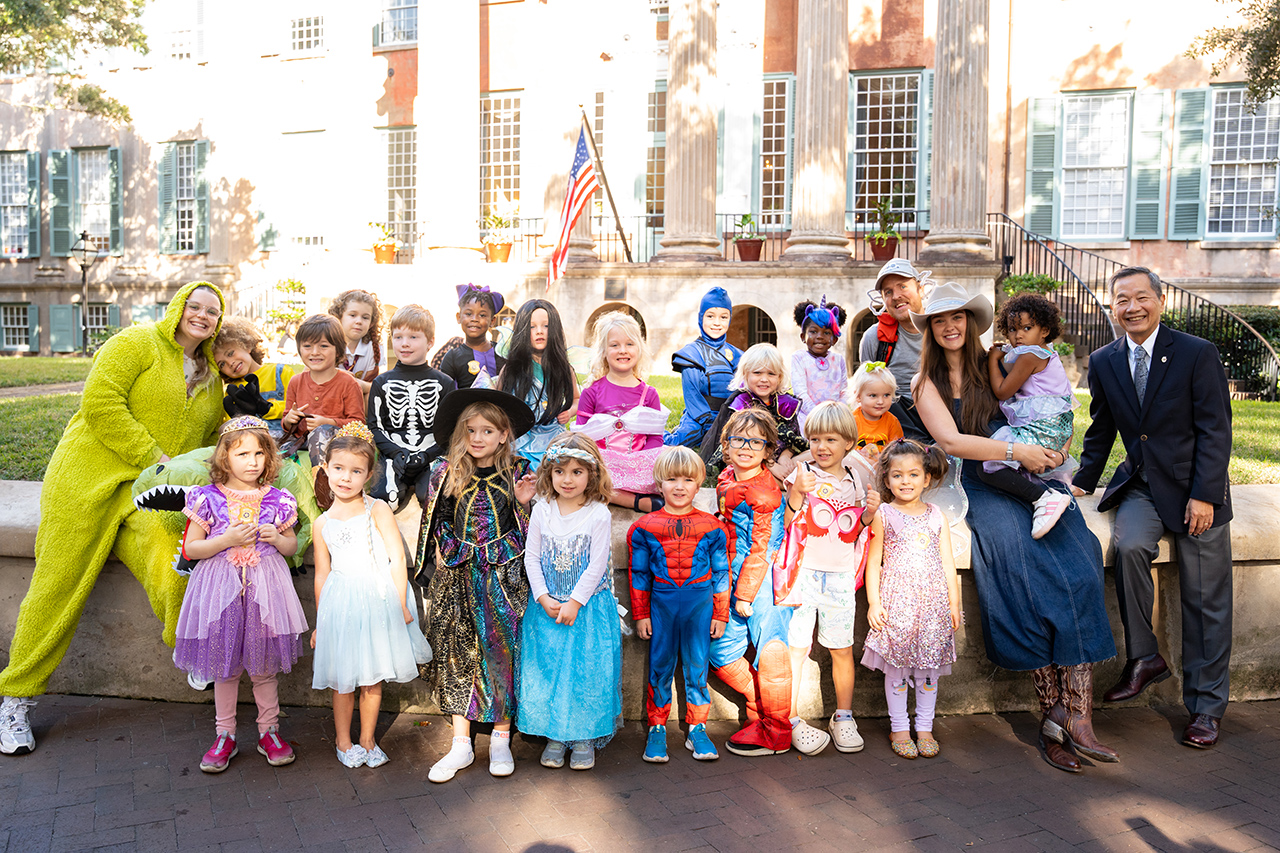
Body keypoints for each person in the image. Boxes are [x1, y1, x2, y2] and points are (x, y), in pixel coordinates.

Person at [0, 282, 226, 757]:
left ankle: (187, 645)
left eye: (213, 312)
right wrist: (155, 457)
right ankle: (16, 697)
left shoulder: (211, 377)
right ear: (178, 306)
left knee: (178, 553)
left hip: (145, 493)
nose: (202, 316)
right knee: (56, 585)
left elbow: (212, 434)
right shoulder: (136, 342)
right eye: (196, 306)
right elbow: (100, 403)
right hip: (86, 480)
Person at [910, 281, 1118, 774]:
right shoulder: (925, 385)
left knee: (1081, 559)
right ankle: (1052, 716)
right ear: (931, 330)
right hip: (980, 484)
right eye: (940, 320)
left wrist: (1052, 449)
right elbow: (954, 443)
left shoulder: (995, 364)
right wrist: (1014, 452)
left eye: (958, 317)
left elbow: (1045, 407)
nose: (951, 326)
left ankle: (1080, 714)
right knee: (1018, 566)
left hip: (1033, 477)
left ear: (973, 322)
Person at [1072, 266, 1233, 750]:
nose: (1132, 307)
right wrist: (1081, 481)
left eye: (1142, 298)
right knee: (1128, 548)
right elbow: (1101, 429)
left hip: (1194, 491)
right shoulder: (1103, 360)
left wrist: (1206, 494)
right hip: (1142, 486)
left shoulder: (1196, 353)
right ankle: (1145, 657)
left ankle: (1206, 708)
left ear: (1160, 302)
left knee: (1206, 602)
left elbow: (1215, 429)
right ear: (1113, 306)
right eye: (1122, 300)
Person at [172, 416, 308, 773]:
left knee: (263, 667)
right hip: (221, 593)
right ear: (224, 458)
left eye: (259, 453)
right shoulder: (207, 499)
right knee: (224, 666)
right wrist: (226, 540)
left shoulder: (278, 500)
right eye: (242, 453)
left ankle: (269, 731)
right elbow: (192, 549)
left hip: (265, 592)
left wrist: (278, 539)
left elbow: (292, 545)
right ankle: (224, 734)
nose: (252, 461)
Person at [415, 389, 538, 782]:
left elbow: (537, 531)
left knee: (502, 651)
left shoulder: (519, 471)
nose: (478, 438)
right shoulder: (447, 470)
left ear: (504, 434)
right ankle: (461, 743)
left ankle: (501, 737)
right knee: (456, 650)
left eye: (488, 430)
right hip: (459, 573)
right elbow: (437, 519)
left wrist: (522, 504)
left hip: (504, 576)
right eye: (471, 430)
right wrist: (440, 551)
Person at [311, 423, 431, 769]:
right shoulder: (323, 524)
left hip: (376, 600)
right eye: (338, 469)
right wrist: (321, 622)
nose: (345, 477)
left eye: (355, 471)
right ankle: (343, 740)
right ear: (326, 469)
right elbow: (322, 573)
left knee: (373, 677)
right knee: (344, 679)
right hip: (341, 603)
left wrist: (399, 602)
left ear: (368, 475)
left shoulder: (376, 509)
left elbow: (396, 557)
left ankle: (367, 738)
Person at [517, 434, 622, 772]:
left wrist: (575, 602)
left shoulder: (597, 514)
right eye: (560, 471)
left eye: (577, 472)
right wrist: (543, 596)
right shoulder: (542, 509)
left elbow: (596, 564)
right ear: (549, 473)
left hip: (587, 609)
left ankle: (583, 737)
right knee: (549, 670)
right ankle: (555, 735)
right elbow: (532, 557)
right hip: (546, 607)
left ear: (592, 474)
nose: (567, 479)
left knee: (585, 672)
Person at [780, 401, 878, 756]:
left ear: (848, 443)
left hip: (838, 579)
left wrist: (867, 514)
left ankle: (843, 716)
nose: (822, 447)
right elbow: (786, 524)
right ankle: (788, 718)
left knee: (841, 649)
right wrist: (796, 493)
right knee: (797, 649)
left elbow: (853, 532)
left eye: (831, 439)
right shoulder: (801, 473)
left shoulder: (855, 480)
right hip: (803, 576)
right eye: (816, 438)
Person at [628, 446, 730, 764]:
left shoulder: (713, 527)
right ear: (660, 483)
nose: (679, 486)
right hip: (662, 604)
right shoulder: (644, 528)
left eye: (687, 479)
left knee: (697, 665)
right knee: (660, 665)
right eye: (671, 479)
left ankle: (697, 726)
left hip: (699, 604)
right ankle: (657, 727)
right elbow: (640, 573)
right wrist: (642, 614)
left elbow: (722, 572)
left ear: (699, 483)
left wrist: (721, 613)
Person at [861, 439, 960, 759]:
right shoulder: (885, 514)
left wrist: (954, 605)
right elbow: (873, 561)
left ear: (927, 478)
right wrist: (875, 603)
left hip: (932, 610)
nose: (906, 481)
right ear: (887, 480)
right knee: (898, 672)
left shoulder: (936, 516)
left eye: (914, 474)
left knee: (928, 674)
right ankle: (900, 727)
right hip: (897, 607)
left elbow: (948, 563)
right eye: (898, 475)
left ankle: (925, 727)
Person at [708, 409, 794, 756]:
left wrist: (745, 594)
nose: (746, 446)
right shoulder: (727, 476)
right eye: (738, 439)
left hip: (763, 583)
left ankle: (777, 732)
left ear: (767, 448)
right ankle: (759, 710)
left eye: (755, 440)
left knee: (771, 651)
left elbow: (763, 547)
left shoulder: (766, 493)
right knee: (721, 651)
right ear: (725, 445)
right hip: (729, 576)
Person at [982, 293, 1076, 539]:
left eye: (1027, 328)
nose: (1018, 335)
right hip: (1059, 427)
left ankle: (1046, 500)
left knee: (990, 463)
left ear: (1044, 330)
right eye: (1012, 329)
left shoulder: (1030, 356)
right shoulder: (1046, 353)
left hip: (1043, 428)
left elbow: (1003, 390)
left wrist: (993, 360)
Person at [574, 312, 668, 513]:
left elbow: (655, 439)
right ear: (604, 351)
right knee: (582, 474)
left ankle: (616, 494)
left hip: (637, 464)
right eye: (614, 345)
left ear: (639, 349)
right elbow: (582, 439)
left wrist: (640, 463)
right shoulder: (591, 393)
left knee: (669, 467)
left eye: (629, 344)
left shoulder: (648, 394)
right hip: (602, 465)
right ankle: (635, 502)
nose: (622, 350)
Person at [366, 305, 457, 511]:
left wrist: (428, 455)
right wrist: (396, 453)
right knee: (383, 500)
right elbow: (375, 426)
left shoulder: (445, 383)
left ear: (430, 342)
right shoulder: (381, 383)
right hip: (393, 455)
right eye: (398, 337)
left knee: (433, 499)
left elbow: (450, 430)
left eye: (413, 337)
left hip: (431, 455)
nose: (404, 344)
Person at [489, 299, 579, 470]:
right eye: (532, 327)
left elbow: (576, 399)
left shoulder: (564, 369)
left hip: (554, 440)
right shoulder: (511, 369)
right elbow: (498, 404)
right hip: (520, 443)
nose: (539, 331)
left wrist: (570, 411)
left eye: (546, 326)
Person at [700, 343, 808, 482]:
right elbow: (740, 447)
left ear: (779, 377)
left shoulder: (786, 403)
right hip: (752, 460)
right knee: (748, 470)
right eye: (757, 373)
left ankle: (788, 479)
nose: (764, 379)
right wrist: (772, 465)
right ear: (746, 374)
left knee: (815, 453)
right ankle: (787, 483)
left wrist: (786, 456)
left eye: (771, 374)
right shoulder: (741, 404)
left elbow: (794, 439)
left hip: (783, 459)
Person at [857, 259, 931, 439]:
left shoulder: (941, 330)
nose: (896, 296)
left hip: (939, 407)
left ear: (920, 289)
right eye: (888, 292)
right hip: (896, 414)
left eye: (903, 286)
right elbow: (866, 387)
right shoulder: (874, 337)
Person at [665, 287, 742, 449]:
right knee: (676, 444)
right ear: (701, 318)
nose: (716, 323)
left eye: (723, 317)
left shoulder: (738, 355)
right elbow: (692, 395)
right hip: (699, 417)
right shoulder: (691, 353)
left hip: (730, 417)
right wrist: (709, 424)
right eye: (710, 316)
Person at [282, 314, 366, 460]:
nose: (315, 352)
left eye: (324, 346)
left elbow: (358, 424)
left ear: (338, 350)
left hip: (338, 446)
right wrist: (290, 419)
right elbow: (285, 422)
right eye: (307, 346)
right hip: (300, 444)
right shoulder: (295, 382)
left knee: (320, 433)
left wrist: (328, 423)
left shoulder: (348, 383)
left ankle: (321, 479)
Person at [213, 316, 302, 430]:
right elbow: (231, 427)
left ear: (247, 345)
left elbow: (300, 405)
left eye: (230, 353)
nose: (230, 363)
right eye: (222, 364)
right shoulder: (232, 392)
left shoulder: (280, 373)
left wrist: (268, 408)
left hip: (287, 442)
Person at [435, 284, 508, 390]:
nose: (474, 319)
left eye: (482, 315)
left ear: (492, 320)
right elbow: (446, 395)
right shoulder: (452, 358)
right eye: (469, 314)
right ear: (459, 317)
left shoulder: (502, 353)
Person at [790, 296, 849, 422]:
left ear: (834, 339)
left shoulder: (838, 360)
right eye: (813, 331)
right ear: (803, 336)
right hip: (808, 420)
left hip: (835, 420)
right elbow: (800, 392)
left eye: (827, 333)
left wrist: (839, 412)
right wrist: (817, 416)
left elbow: (844, 390)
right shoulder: (799, 358)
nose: (820, 337)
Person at [328, 289, 384, 395]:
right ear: (339, 317)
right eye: (353, 315)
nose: (358, 321)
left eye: (365, 317)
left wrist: (358, 384)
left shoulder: (373, 348)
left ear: (371, 323)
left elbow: (379, 386)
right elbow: (307, 376)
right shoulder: (326, 344)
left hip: (359, 400)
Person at [850, 362, 904, 464]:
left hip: (882, 467)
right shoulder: (852, 421)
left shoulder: (892, 421)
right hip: (856, 467)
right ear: (858, 396)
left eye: (886, 395)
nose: (880, 401)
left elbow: (897, 451)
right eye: (873, 395)